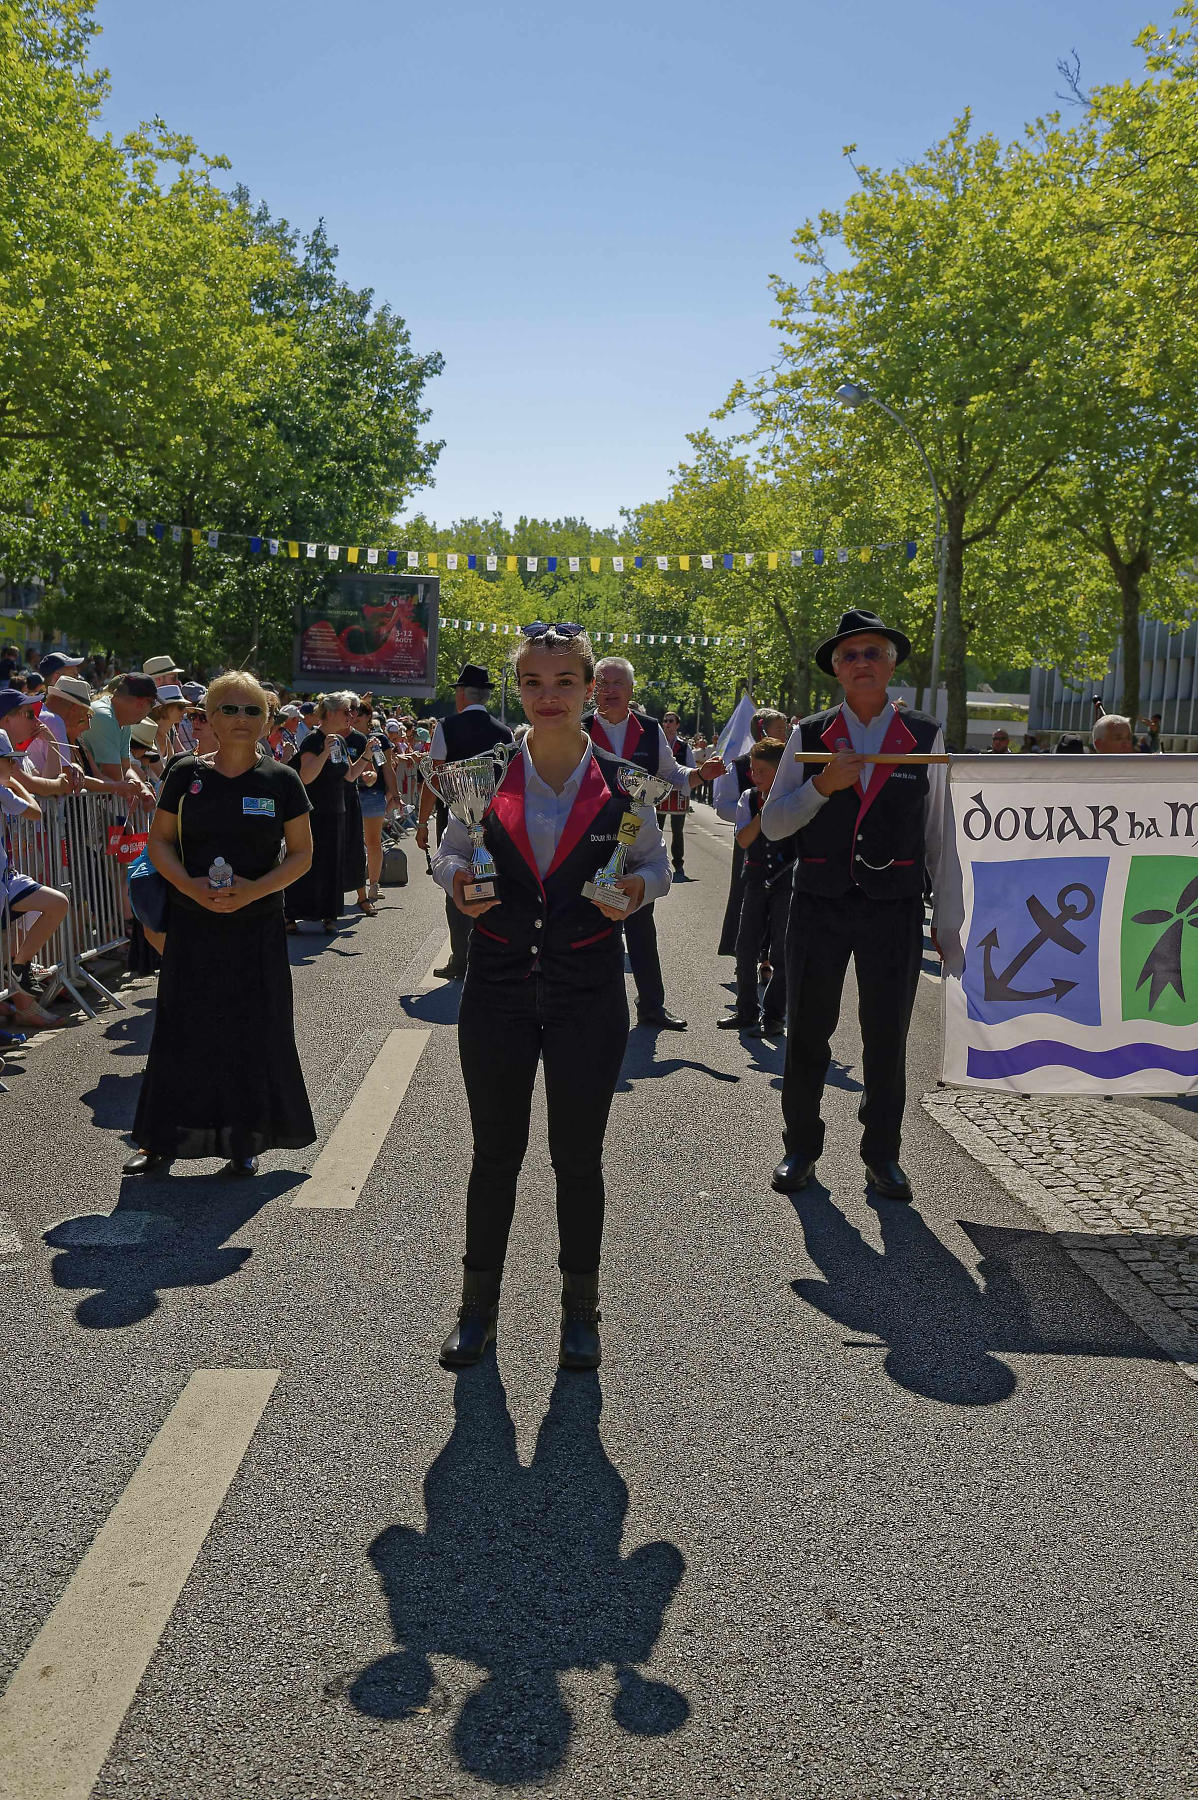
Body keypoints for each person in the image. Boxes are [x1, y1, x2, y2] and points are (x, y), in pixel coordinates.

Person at [431, 624, 671, 1372]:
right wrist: (456, 883)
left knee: (578, 1158)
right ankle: (477, 1312)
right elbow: (449, 849)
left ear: (590, 687)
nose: (548, 697)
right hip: (498, 987)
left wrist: (635, 889)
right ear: (518, 689)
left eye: (564, 681)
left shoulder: (627, 784)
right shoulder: (481, 774)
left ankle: (581, 1313)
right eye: (533, 683)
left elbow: (655, 864)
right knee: (494, 1156)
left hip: (587, 991)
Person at [761, 609, 945, 1204]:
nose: (862, 663)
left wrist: (947, 916)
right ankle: (801, 1146)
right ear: (836, 670)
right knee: (809, 1031)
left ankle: (882, 1155)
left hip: (893, 907)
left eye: (873, 653)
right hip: (818, 903)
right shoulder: (809, 734)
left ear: (892, 663)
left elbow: (941, 833)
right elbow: (773, 824)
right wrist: (822, 787)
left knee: (887, 1036)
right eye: (850, 655)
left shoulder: (925, 734)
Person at [125, 671, 316, 1177]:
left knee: (250, 1029)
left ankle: (244, 1139)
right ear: (208, 717)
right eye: (228, 709)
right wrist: (188, 886)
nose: (240, 719)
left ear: (267, 720)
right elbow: (159, 843)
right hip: (193, 924)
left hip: (255, 926)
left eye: (252, 711)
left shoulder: (282, 780)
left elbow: (301, 856)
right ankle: (158, 1141)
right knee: (181, 1028)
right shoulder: (185, 774)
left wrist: (255, 890)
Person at [584, 655, 724, 1030]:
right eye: (602, 683)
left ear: (631, 690)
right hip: (587, 840)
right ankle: (591, 1007)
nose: (609, 690)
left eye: (617, 684)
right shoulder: (578, 727)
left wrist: (699, 774)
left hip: (639, 836)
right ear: (592, 688)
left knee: (642, 925)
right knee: (590, 926)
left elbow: (670, 774)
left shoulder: (649, 728)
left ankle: (652, 1007)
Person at [416, 663, 514, 980]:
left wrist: (420, 824)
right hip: (494, 820)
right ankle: (491, 954)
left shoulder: (446, 726)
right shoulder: (504, 732)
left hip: (454, 817)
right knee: (492, 880)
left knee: (456, 883)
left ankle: (461, 959)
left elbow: (433, 777)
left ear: (461, 694)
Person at [719, 739, 796, 1038]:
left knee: (781, 952)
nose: (755, 776)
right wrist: (765, 813)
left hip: (785, 883)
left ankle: (774, 1016)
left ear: (780, 772)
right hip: (753, 880)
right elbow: (743, 839)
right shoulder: (749, 798)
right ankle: (746, 1010)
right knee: (745, 947)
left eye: (763, 770)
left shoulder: (793, 797)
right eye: (753, 769)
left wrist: (778, 805)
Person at [0, 730, 70, 1026]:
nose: (14, 767)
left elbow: (33, 814)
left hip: (7, 880)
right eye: (9, 761)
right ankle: (17, 973)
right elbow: (34, 810)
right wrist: (15, 784)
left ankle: (19, 966)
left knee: (57, 903)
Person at [713, 709, 789, 961]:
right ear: (763, 730)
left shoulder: (792, 765)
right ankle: (743, 954)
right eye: (780, 728)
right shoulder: (739, 766)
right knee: (745, 898)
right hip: (750, 843)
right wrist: (751, 817)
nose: (785, 732)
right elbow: (723, 806)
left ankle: (768, 956)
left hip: (782, 846)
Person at [286, 692, 353, 933]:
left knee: (332, 863)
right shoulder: (313, 741)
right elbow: (306, 776)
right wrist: (325, 751)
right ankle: (291, 914)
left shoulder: (341, 741)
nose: (350, 716)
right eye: (346, 711)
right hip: (313, 810)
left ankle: (329, 914)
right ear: (332, 713)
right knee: (307, 862)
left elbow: (349, 774)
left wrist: (368, 759)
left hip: (336, 809)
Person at [79, 673, 158, 806]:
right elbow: (115, 776)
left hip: (89, 804)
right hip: (79, 806)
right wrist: (134, 790)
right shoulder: (104, 717)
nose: (150, 711)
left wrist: (143, 789)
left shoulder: (121, 719)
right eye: (153, 704)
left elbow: (126, 768)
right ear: (141, 703)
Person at [657, 711, 694, 878]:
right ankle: (655, 860)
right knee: (656, 829)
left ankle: (678, 864)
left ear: (677, 725)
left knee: (677, 831)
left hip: (678, 794)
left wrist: (686, 788)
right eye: (665, 720)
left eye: (671, 721)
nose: (667, 723)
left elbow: (692, 769)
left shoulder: (684, 747)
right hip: (659, 792)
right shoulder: (657, 743)